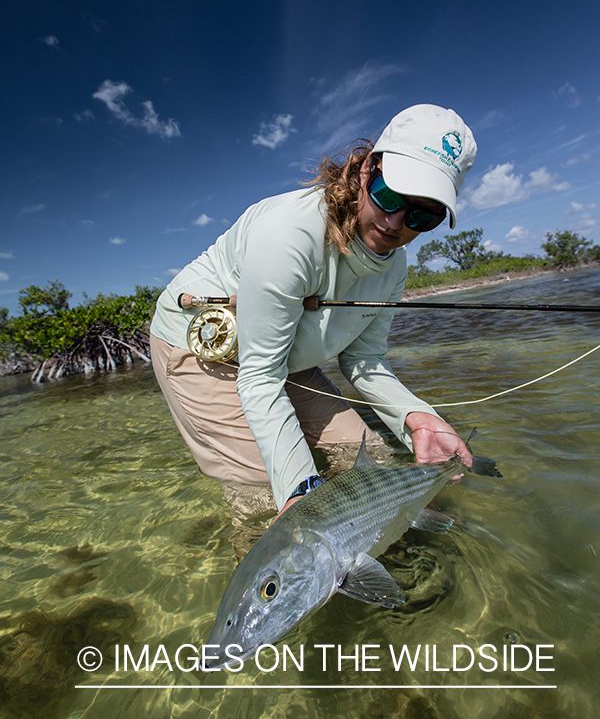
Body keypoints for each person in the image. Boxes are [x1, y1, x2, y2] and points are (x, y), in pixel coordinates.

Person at [150, 103, 477, 514]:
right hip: (205, 344)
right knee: (266, 499)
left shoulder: (394, 266)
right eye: (389, 195)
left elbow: (364, 358)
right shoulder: (291, 233)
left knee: (368, 459)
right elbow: (260, 377)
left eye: (421, 216)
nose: (396, 223)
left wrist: (417, 417)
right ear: (366, 171)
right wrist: (299, 488)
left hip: (285, 356)